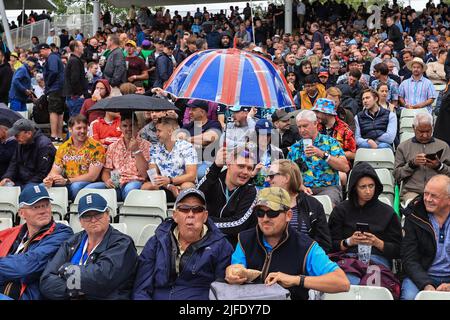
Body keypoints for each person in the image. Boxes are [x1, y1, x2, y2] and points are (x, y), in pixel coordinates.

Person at [225, 187, 350, 300]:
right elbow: (237, 268)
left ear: (288, 215)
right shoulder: (245, 239)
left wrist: (296, 280)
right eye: (260, 213)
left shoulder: (305, 246)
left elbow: (342, 282)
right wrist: (232, 272)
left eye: (272, 213)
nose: (265, 219)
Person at [132, 188, 233, 300]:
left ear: (205, 216)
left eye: (197, 209)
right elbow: (141, 289)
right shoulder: (156, 242)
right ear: (175, 215)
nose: (190, 214)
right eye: (184, 209)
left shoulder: (221, 245)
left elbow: (222, 292)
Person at [40, 193, 138, 300]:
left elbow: (101, 279)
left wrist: (67, 269)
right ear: (80, 221)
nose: (93, 220)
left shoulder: (122, 243)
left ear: (108, 215)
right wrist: (76, 291)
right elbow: (46, 281)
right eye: (87, 216)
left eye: (98, 214)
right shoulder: (73, 242)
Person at [328, 162, 402, 285]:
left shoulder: (387, 212)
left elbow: (399, 250)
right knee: (348, 285)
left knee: (372, 287)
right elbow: (330, 245)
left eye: (371, 186)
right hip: (347, 258)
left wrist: (378, 243)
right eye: (363, 187)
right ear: (354, 188)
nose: (368, 191)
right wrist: (349, 241)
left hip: (377, 260)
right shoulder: (341, 210)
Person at [0, 185, 73, 300]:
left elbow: (26, 266)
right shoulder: (13, 233)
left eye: (46, 205)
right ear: (21, 213)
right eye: (36, 207)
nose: (43, 211)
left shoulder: (62, 233)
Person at [401, 175, 450, 300]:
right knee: (410, 297)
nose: (427, 199)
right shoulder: (414, 214)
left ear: (448, 199)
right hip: (421, 275)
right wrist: (426, 284)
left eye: (434, 196)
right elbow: (409, 258)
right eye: (426, 194)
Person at [266, 159, 331, 252]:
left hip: (305, 260)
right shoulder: (264, 204)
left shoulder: (313, 205)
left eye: (271, 176)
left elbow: (324, 243)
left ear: (286, 178)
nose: (267, 179)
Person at [288, 110, 350, 206]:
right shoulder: (294, 148)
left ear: (315, 123)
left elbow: (345, 167)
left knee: (327, 204)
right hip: (304, 190)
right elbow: (290, 175)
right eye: (299, 127)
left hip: (328, 188)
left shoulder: (330, 142)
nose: (302, 130)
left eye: (305, 126)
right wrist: (301, 187)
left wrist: (322, 154)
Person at [198, 147, 258, 246]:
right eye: (241, 166)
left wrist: (203, 221)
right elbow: (195, 197)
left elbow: (238, 224)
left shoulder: (251, 191)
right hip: (204, 242)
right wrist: (215, 167)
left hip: (233, 247)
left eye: (249, 168)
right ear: (229, 164)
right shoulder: (214, 179)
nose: (246, 172)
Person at [85, 113, 150, 201]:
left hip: (135, 182)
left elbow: (144, 174)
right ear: (120, 127)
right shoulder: (113, 146)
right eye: (125, 126)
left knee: (130, 189)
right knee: (89, 189)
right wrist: (107, 180)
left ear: (137, 126)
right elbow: (106, 171)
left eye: (131, 125)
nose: (128, 129)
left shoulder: (147, 145)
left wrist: (137, 150)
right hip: (116, 182)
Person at [43, 115, 106, 200]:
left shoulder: (96, 147)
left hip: (89, 184)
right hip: (68, 183)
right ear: (70, 129)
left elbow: (92, 176)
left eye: (85, 128)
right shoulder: (63, 148)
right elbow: (55, 170)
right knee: (42, 186)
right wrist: (50, 179)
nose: (83, 131)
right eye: (79, 128)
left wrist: (67, 181)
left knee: (76, 186)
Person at [394, 113, 450, 203]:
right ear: (413, 128)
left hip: (439, 191)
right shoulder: (403, 147)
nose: (425, 135)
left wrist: (439, 166)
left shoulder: (443, 146)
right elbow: (397, 175)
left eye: (428, 131)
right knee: (415, 208)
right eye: (421, 132)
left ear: (432, 127)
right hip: (412, 192)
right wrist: (412, 164)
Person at [141, 117, 197, 200]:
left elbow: (191, 175)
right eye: (156, 130)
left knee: (187, 186)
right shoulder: (154, 148)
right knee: (146, 186)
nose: (156, 134)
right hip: (164, 185)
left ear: (170, 131)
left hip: (181, 184)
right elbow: (153, 175)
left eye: (159, 131)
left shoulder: (187, 147)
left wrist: (171, 180)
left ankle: (184, 210)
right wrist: (169, 186)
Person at [0, 119, 55, 189]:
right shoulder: (21, 142)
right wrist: (7, 177)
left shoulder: (44, 145)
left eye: (17, 135)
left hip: (39, 184)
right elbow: (13, 164)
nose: (15, 138)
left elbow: (42, 174)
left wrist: (22, 187)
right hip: (23, 182)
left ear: (28, 133)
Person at [181, 100, 222, 180]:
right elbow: (180, 141)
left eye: (193, 109)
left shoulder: (214, 124)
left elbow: (209, 138)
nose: (189, 112)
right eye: (189, 109)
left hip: (207, 161)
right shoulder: (187, 126)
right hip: (188, 161)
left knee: (200, 173)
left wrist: (188, 139)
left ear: (202, 112)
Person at [313, 98, 356, 163]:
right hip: (317, 165)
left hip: (339, 166)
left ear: (327, 113)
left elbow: (353, 154)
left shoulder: (345, 130)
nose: (315, 115)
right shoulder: (316, 127)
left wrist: (330, 155)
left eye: (317, 112)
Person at [38, 43, 65, 142]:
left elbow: (53, 71)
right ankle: (59, 135)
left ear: (45, 49)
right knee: (59, 112)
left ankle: (54, 135)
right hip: (60, 88)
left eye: (40, 51)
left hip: (55, 88)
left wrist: (48, 84)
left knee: (53, 111)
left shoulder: (52, 57)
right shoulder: (55, 57)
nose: (40, 54)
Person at [63, 40, 89, 117]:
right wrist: (80, 94)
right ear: (76, 48)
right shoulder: (74, 61)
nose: (83, 48)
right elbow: (75, 80)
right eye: (81, 46)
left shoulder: (74, 60)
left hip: (73, 96)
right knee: (76, 119)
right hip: (75, 97)